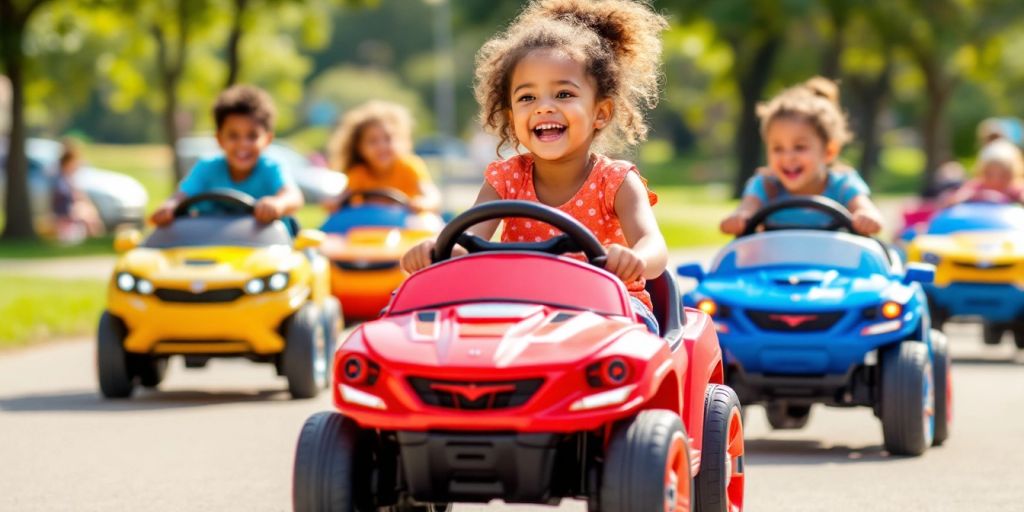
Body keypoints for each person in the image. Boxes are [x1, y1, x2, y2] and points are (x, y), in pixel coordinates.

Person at [401, 0, 669, 333]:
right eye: (527, 98)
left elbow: (654, 247)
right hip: (521, 308)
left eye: (563, 94)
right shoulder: (505, 180)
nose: (543, 107)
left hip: (612, 310)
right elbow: (466, 241)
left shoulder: (615, 182)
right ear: (512, 117)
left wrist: (635, 258)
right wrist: (436, 250)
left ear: (600, 112)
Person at [720, 77, 885, 236]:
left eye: (799, 147)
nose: (788, 158)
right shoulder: (764, 186)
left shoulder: (843, 185)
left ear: (829, 151)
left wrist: (866, 216)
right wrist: (738, 218)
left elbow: (867, 210)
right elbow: (745, 210)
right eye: (777, 148)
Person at [149, 85, 303, 226]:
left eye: (252, 136)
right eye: (233, 136)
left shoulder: (271, 168)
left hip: (266, 244)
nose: (243, 144)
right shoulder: (206, 168)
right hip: (212, 243)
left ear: (267, 140)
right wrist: (169, 206)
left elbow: (294, 197)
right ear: (219, 139)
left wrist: (277, 204)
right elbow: (181, 196)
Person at [323, 100, 440, 213]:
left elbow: (432, 195)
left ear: (401, 140)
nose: (381, 146)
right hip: (370, 225)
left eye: (388, 138)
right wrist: (333, 202)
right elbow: (342, 197)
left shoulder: (410, 167)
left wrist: (424, 203)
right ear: (359, 147)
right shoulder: (359, 174)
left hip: (408, 223)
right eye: (372, 141)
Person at [52, 138, 103, 243]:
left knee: (90, 213)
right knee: (87, 216)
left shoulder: (69, 178)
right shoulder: (59, 179)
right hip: (64, 213)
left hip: (69, 210)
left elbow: (79, 195)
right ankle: (94, 238)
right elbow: (62, 201)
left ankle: (94, 238)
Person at [945, 139, 1024, 205]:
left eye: (1003, 175)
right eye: (990, 174)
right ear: (983, 172)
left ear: (1012, 175)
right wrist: (968, 196)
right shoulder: (976, 187)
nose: (995, 180)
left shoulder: (1014, 188)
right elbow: (955, 199)